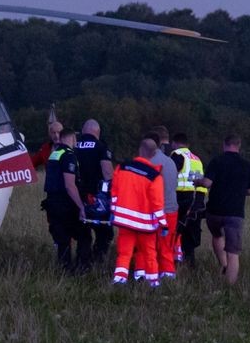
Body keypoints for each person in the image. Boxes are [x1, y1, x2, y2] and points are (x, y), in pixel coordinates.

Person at [110, 137, 168, 286]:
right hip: (145, 225)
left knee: (124, 252)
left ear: (139, 150)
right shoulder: (154, 176)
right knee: (149, 253)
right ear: (154, 154)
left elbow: (114, 193)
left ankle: (119, 279)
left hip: (124, 221)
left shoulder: (122, 167)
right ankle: (153, 282)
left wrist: (113, 211)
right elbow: (157, 204)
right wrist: (163, 224)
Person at [200, 134, 250, 283]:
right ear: (239, 146)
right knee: (233, 252)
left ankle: (223, 265)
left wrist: (197, 181)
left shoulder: (217, 161)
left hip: (214, 211)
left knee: (217, 236)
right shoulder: (247, 165)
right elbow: (249, 190)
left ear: (224, 145)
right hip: (235, 213)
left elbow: (206, 183)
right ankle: (230, 285)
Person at [133, 126, 180, 280]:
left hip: (149, 213)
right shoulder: (171, 162)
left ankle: (141, 276)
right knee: (166, 248)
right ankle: (167, 277)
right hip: (170, 211)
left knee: (143, 247)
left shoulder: (143, 163)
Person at [41, 129, 92, 273]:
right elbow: (70, 185)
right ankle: (82, 268)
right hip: (66, 204)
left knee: (63, 240)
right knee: (84, 235)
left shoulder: (54, 154)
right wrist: (81, 206)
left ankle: (65, 271)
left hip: (52, 203)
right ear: (72, 139)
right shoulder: (69, 155)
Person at [75, 119, 115, 263]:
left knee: (83, 234)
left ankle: (82, 264)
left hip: (76, 197)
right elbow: (108, 173)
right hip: (96, 199)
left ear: (83, 130)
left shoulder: (74, 145)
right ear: (97, 133)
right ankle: (98, 261)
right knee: (104, 233)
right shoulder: (101, 147)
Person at [170, 132, 208, 266]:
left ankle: (173, 265)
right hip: (195, 199)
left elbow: (169, 176)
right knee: (190, 237)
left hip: (179, 198)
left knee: (174, 233)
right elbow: (201, 182)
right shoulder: (196, 159)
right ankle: (190, 266)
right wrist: (199, 202)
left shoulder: (177, 155)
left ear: (174, 143)